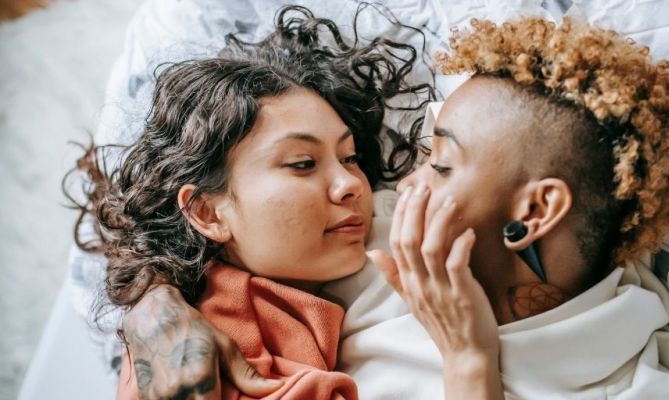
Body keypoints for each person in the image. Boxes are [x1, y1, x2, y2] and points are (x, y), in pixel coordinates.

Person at [108, 13, 669, 400]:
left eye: (440, 165)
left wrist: (469, 361)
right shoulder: (369, 237)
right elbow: (200, 229)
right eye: (304, 163)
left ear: (537, 211)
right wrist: (154, 300)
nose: (368, 187)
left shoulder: (638, 383)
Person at [68, 5, 435, 399]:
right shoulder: (211, 352)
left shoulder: (287, 304)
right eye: (302, 163)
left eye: (350, 158)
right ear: (206, 212)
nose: (350, 184)